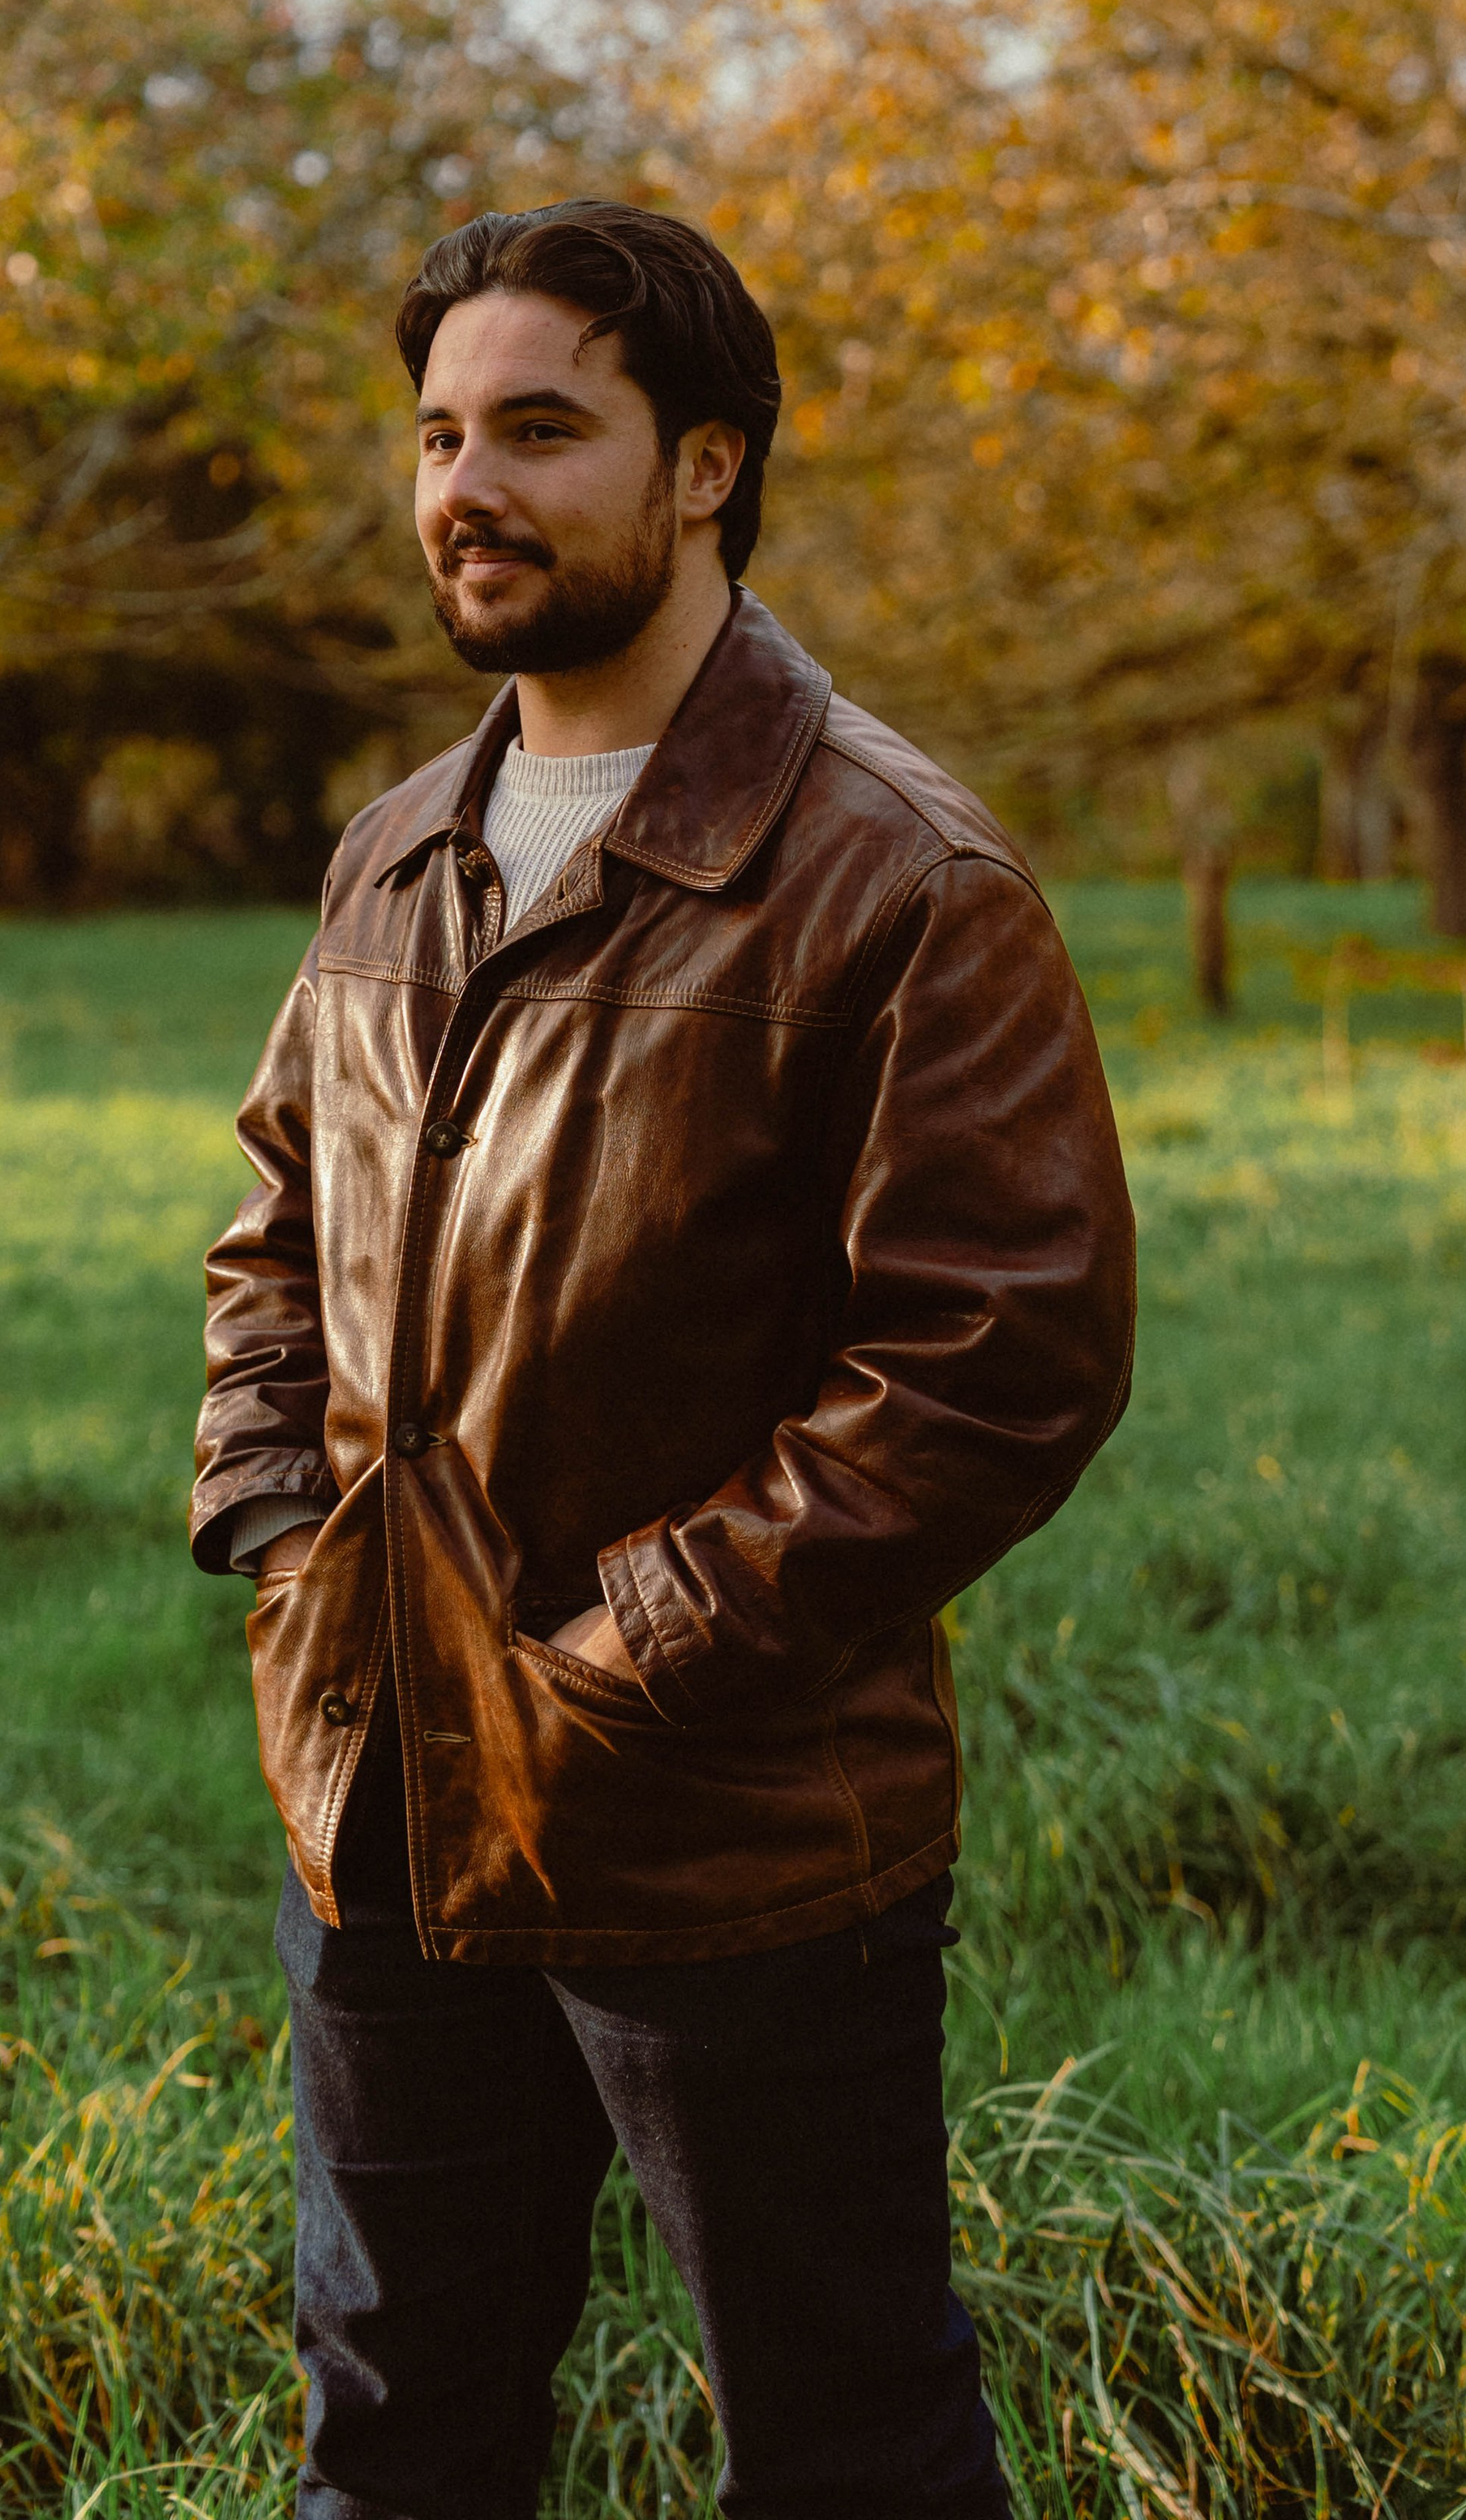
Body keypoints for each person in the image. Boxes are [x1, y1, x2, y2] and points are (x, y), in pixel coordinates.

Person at [192, 198, 1135, 2520]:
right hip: (382, 1801)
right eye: (435, 433)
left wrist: (630, 1657)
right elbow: (277, 1229)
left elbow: (996, 1361)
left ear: (705, 467)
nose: (462, 489)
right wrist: (278, 1531)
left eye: (537, 426)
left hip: (729, 1834)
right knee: (393, 2433)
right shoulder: (398, 851)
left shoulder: (898, 875)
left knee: (846, 2452)